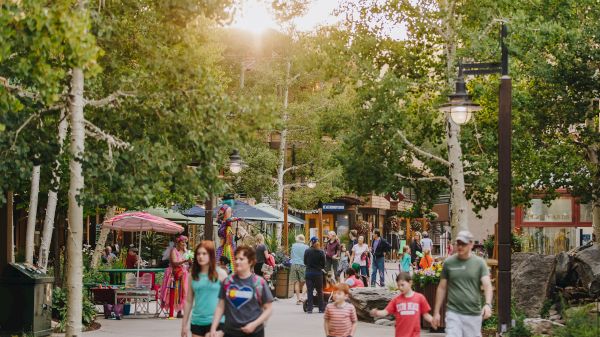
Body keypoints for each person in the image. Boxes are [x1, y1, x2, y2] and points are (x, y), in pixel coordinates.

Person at [431, 231, 493, 336]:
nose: (460, 246)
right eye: (458, 243)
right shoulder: (449, 263)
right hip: (453, 312)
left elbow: (487, 285)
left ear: (471, 244)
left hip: (473, 313)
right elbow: (442, 287)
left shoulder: (479, 263)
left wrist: (487, 304)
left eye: (463, 244)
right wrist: (436, 312)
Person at [209, 246, 273, 337]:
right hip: (230, 332)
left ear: (250, 262)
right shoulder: (227, 282)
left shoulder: (259, 282)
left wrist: (254, 324)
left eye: (241, 259)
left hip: (254, 332)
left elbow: (269, 309)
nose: (237, 261)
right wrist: (213, 328)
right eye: (236, 259)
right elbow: (220, 306)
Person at [181, 241, 228, 337]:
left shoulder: (221, 274)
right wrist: (184, 325)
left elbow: (228, 301)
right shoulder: (192, 276)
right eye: (198, 254)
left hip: (217, 322)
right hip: (197, 322)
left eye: (204, 253)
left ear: (211, 255)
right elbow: (189, 301)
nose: (200, 256)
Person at [370, 272, 433, 337]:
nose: (400, 287)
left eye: (402, 285)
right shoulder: (396, 300)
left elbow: (426, 315)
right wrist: (376, 312)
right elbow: (385, 312)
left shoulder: (420, 298)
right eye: (398, 285)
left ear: (410, 283)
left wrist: (432, 320)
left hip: (414, 335)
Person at [160, 235, 192, 318]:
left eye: (185, 242)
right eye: (182, 242)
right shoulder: (173, 251)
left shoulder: (186, 251)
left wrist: (188, 256)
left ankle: (180, 311)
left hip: (184, 274)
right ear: (178, 243)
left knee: (183, 292)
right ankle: (172, 310)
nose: (184, 244)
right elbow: (174, 262)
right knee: (174, 291)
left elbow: (191, 262)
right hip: (174, 273)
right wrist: (184, 261)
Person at [304, 236, 326, 313]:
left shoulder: (307, 251)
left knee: (309, 291)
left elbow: (305, 262)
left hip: (309, 273)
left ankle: (310, 309)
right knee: (319, 291)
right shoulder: (321, 252)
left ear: (311, 242)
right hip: (318, 273)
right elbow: (323, 265)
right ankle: (321, 308)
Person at [290, 234, 309, 305]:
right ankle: (302, 296)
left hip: (294, 264)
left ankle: (298, 299)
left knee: (296, 282)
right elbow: (307, 257)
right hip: (303, 265)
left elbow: (291, 256)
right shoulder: (306, 247)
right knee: (306, 281)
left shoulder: (293, 245)